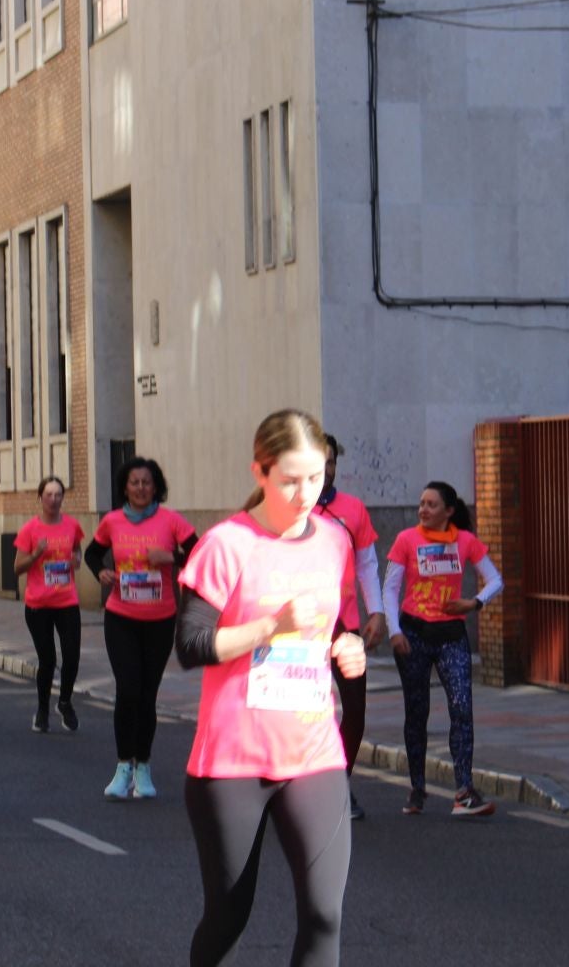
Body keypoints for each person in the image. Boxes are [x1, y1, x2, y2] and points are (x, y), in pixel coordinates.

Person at [176, 410, 362, 967]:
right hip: (234, 763)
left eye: (317, 477)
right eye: (290, 479)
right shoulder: (226, 545)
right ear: (259, 471)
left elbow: (332, 627)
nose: (307, 493)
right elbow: (190, 646)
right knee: (229, 916)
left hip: (313, 754)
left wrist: (344, 649)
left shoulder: (333, 542)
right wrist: (267, 627)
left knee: (325, 915)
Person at [385, 480, 503, 817]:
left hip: (451, 634)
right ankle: (417, 788)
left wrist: (474, 603)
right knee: (417, 711)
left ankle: (464, 791)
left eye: (431, 504)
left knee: (462, 708)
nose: (423, 509)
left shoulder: (464, 541)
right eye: (421, 503)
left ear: (449, 511)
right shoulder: (406, 540)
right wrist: (395, 631)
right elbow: (391, 589)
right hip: (414, 634)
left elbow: (495, 579)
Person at [87, 456, 197, 800]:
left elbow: (205, 553)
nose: (140, 488)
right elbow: (93, 554)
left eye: (146, 482)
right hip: (121, 616)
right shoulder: (113, 521)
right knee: (128, 688)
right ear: (124, 487)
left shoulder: (171, 521)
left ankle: (144, 768)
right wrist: (101, 572)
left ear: (156, 486)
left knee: (147, 694)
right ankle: (123, 767)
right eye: (134, 482)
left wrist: (174, 559)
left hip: (160, 619)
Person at [314, 434, 386, 820]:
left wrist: (376, 611)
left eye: (330, 461)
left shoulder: (352, 509)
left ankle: (339, 782)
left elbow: (367, 564)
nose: (326, 469)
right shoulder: (283, 510)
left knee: (354, 711)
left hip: (347, 628)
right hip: (298, 631)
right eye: (317, 460)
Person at [13, 477, 84, 734]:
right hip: (38, 604)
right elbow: (17, 568)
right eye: (49, 494)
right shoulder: (30, 530)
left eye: (58, 495)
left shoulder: (72, 526)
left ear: (62, 498)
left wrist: (77, 558)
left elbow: (77, 550)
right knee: (48, 660)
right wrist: (35, 555)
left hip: (67, 600)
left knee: (72, 656)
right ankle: (42, 709)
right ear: (40, 498)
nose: (53, 499)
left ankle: (64, 702)